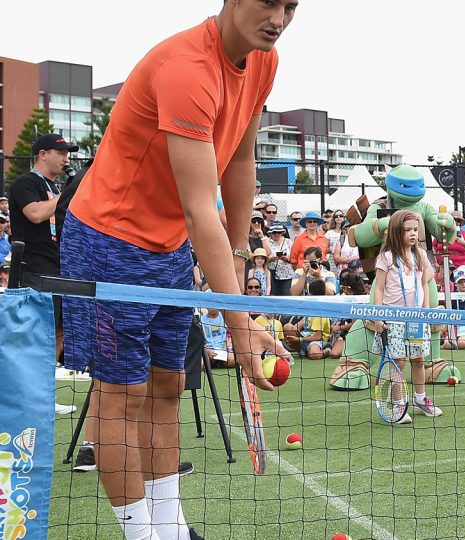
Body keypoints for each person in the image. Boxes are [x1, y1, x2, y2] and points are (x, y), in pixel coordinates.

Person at [59, 3, 296, 539]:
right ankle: (141, 536)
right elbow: (198, 207)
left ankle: (172, 529)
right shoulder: (187, 68)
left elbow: (238, 161)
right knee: (123, 394)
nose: (279, 17)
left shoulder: (265, 59)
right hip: (108, 241)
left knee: (168, 385)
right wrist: (240, 328)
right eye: (270, 1)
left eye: (293, 5)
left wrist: (239, 253)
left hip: (169, 246)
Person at [10, 133, 78, 416]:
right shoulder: (26, 182)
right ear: (42, 154)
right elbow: (36, 214)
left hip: (57, 267)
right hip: (33, 269)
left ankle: (44, 397)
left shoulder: (54, 186)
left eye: (67, 153)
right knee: (34, 337)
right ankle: (25, 400)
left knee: (57, 333)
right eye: (60, 152)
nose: (66, 158)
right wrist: (68, 194)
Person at [371, 210, 442, 423]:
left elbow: (424, 282)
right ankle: (398, 405)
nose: (412, 234)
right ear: (395, 232)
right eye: (407, 230)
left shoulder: (420, 255)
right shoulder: (386, 257)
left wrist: (426, 312)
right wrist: (378, 316)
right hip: (393, 319)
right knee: (398, 363)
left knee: (419, 360)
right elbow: (379, 289)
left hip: (416, 319)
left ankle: (420, 399)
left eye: (415, 230)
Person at [431, 210, 465, 280]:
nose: (456, 222)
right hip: (443, 267)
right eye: (453, 220)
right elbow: (433, 247)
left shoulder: (464, 234)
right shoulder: (441, 233)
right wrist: (435, 262)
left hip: (461, 268)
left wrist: (463, 242)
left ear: (460, 223)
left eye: (458, 221)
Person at [266, 224, 294, 296]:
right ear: (270, 233)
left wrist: (287, 258)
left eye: (279, 232)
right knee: (273, 296)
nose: (277, 234)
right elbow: (262, 257)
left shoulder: (288, 242)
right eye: (274, 232)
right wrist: (270, 259)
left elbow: (293, 257)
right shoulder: (267, 242)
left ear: (282, 233)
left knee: (286, 295)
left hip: (287, 274)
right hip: (271, 273)